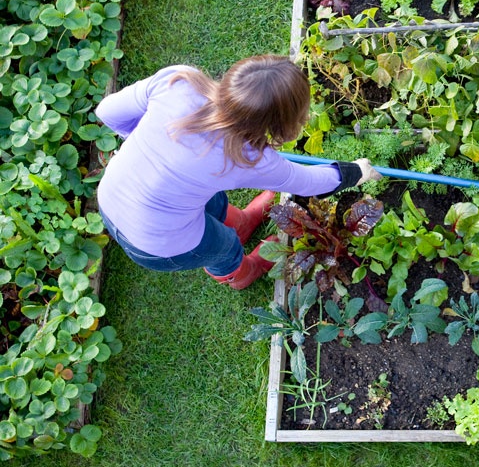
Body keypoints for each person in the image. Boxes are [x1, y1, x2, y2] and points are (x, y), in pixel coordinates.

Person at [95, 54, 379, 290]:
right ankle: (243, 274)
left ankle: (242, 222)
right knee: (224, 246)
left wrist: (143, 142)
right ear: (282, 124)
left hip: (111, 196)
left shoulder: (179, 82)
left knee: (212, 199)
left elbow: (107, 111)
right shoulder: (247, 158)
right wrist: (357, 172)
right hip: (154, 242)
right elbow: (308, 182)